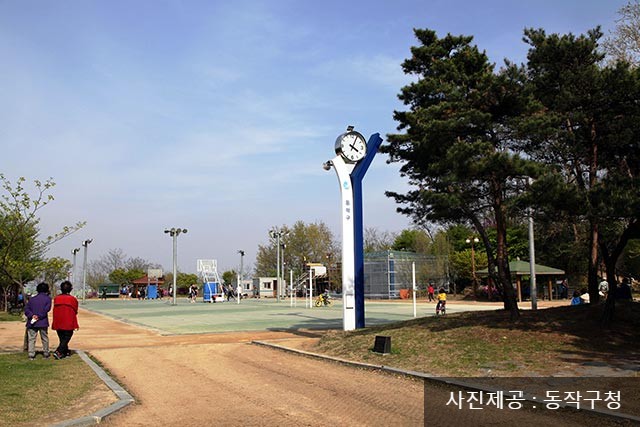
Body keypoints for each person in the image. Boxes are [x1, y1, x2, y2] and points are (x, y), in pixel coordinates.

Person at [24, 282, 52, 360]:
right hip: (42, 321)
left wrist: (32, 315)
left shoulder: (32, 299)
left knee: (31, 338)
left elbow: (26, 309)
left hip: (32, 321)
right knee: (44, 338)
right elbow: (46, 309)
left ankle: (31, 354)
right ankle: (46, 353)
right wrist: (39, 316)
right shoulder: (48, 299)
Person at [52, 280, 79, 359]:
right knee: (67, 337)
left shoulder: (56, 298)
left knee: (62, 338)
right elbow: (75, 310)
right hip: (68, 321)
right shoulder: (72, 299)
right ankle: (59, 351)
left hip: (58, 321)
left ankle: (65, 352)